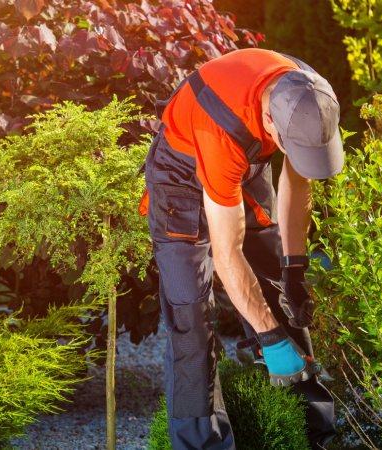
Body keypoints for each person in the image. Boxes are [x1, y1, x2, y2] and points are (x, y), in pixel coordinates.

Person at [140, 48, 342, 449]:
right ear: (270, 122)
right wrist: (271, 338)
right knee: (191, 318)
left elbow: (297, 182)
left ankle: (312, 436)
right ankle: (202, 443)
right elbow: (226, 255)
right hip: (180, 177)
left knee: (276, 290)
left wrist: (294, 268)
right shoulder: (221, 131)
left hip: (244, 166)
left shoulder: (309, 97)